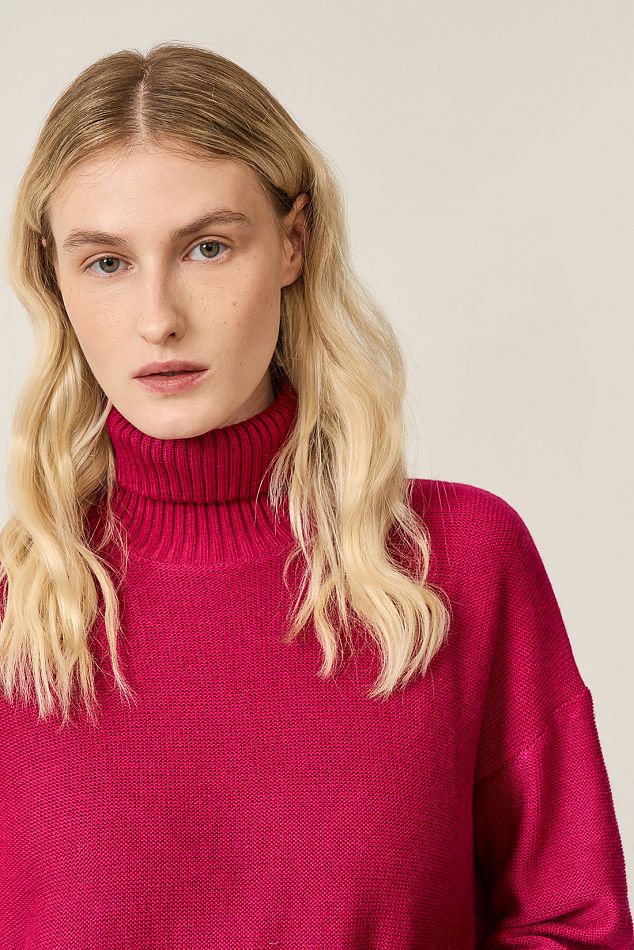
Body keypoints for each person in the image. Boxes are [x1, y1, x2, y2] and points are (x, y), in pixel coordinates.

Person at [0, 41, 631, 949]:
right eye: (106, 262)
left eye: (208, 248)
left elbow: (575, 923)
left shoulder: (458, 563)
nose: (158, 317)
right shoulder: (15, 605)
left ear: (293, 243)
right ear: (53, 276)